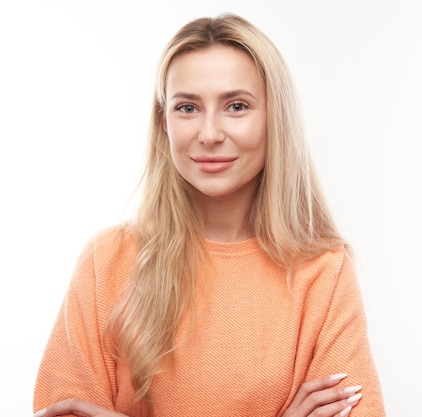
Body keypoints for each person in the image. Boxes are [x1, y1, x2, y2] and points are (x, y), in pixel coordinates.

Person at [32, 12, 386, 417]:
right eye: (187, 108)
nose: (210, 133)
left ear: (275, 118)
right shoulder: (106, 262)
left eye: (236, 106)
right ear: (163, 123)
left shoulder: (323, 273)